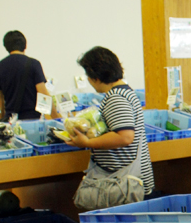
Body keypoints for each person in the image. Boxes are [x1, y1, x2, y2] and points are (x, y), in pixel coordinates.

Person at [66, 47, 155, 202]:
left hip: (124, 184)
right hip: (128, 182)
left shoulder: (116, 98)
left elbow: (125, 137)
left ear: (96, 77)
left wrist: (87, 142)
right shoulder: (125, 92)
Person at [0, 31, 53, 119]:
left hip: (10, 120)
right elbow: (44, 94)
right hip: (32, 120)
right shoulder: (34, 64)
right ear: (25, 45)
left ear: (6, 47)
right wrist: (57, 117)